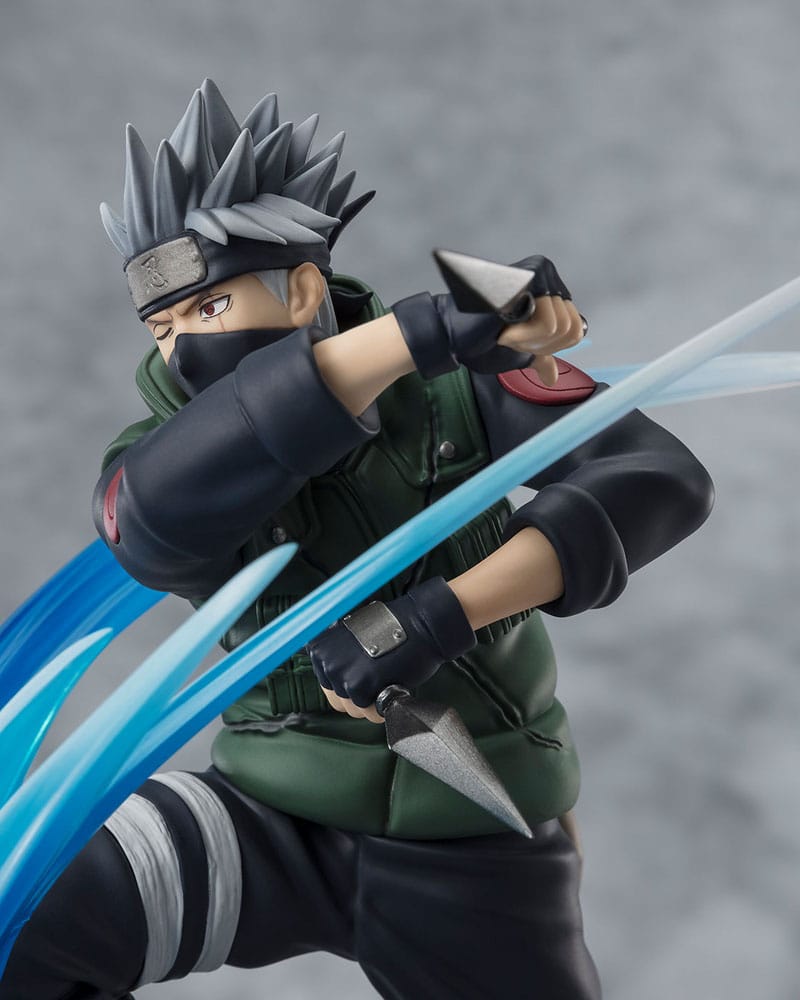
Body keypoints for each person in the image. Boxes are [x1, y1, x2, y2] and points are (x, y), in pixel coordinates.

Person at [0, 80, 714, 1000]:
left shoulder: (462, 392)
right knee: (23, 917)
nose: (179, 350)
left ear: (302, 290)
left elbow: (657, 477)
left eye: (207, 312)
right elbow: (149, 527)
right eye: (162, 326)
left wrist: (446, 614)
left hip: (465, 828)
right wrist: (418, 333)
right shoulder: (162, 453)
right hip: (268, 807)